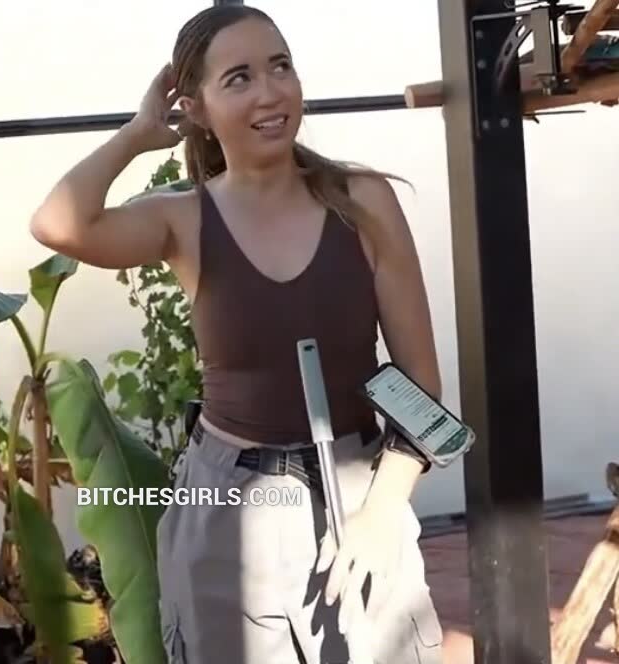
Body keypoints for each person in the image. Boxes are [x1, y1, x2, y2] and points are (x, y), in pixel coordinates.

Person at [29, 5, 445, 663]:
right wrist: (137, 134)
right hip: (225, 503)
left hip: (359, 486)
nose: (270, 92)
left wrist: (379, 514)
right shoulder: (184, 219)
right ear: (195, 107)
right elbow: (57, 224)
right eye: (240, 78)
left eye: (281, 67)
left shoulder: (362, 200)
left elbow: (421, 387)